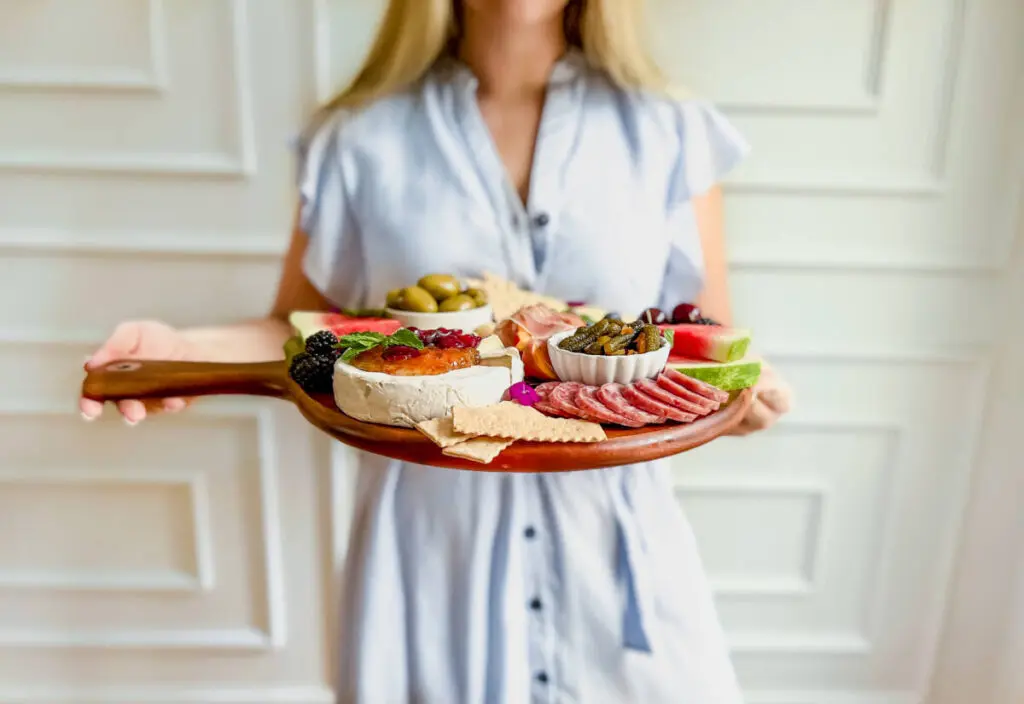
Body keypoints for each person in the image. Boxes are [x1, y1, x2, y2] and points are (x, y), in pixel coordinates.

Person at [80, 0, 792, 701]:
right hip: (427, 552)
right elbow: (300, 332)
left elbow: (707, 348)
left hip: (618, 552)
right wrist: (184, 348)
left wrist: (744, 401)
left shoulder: (670, 132)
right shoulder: (357, 139)